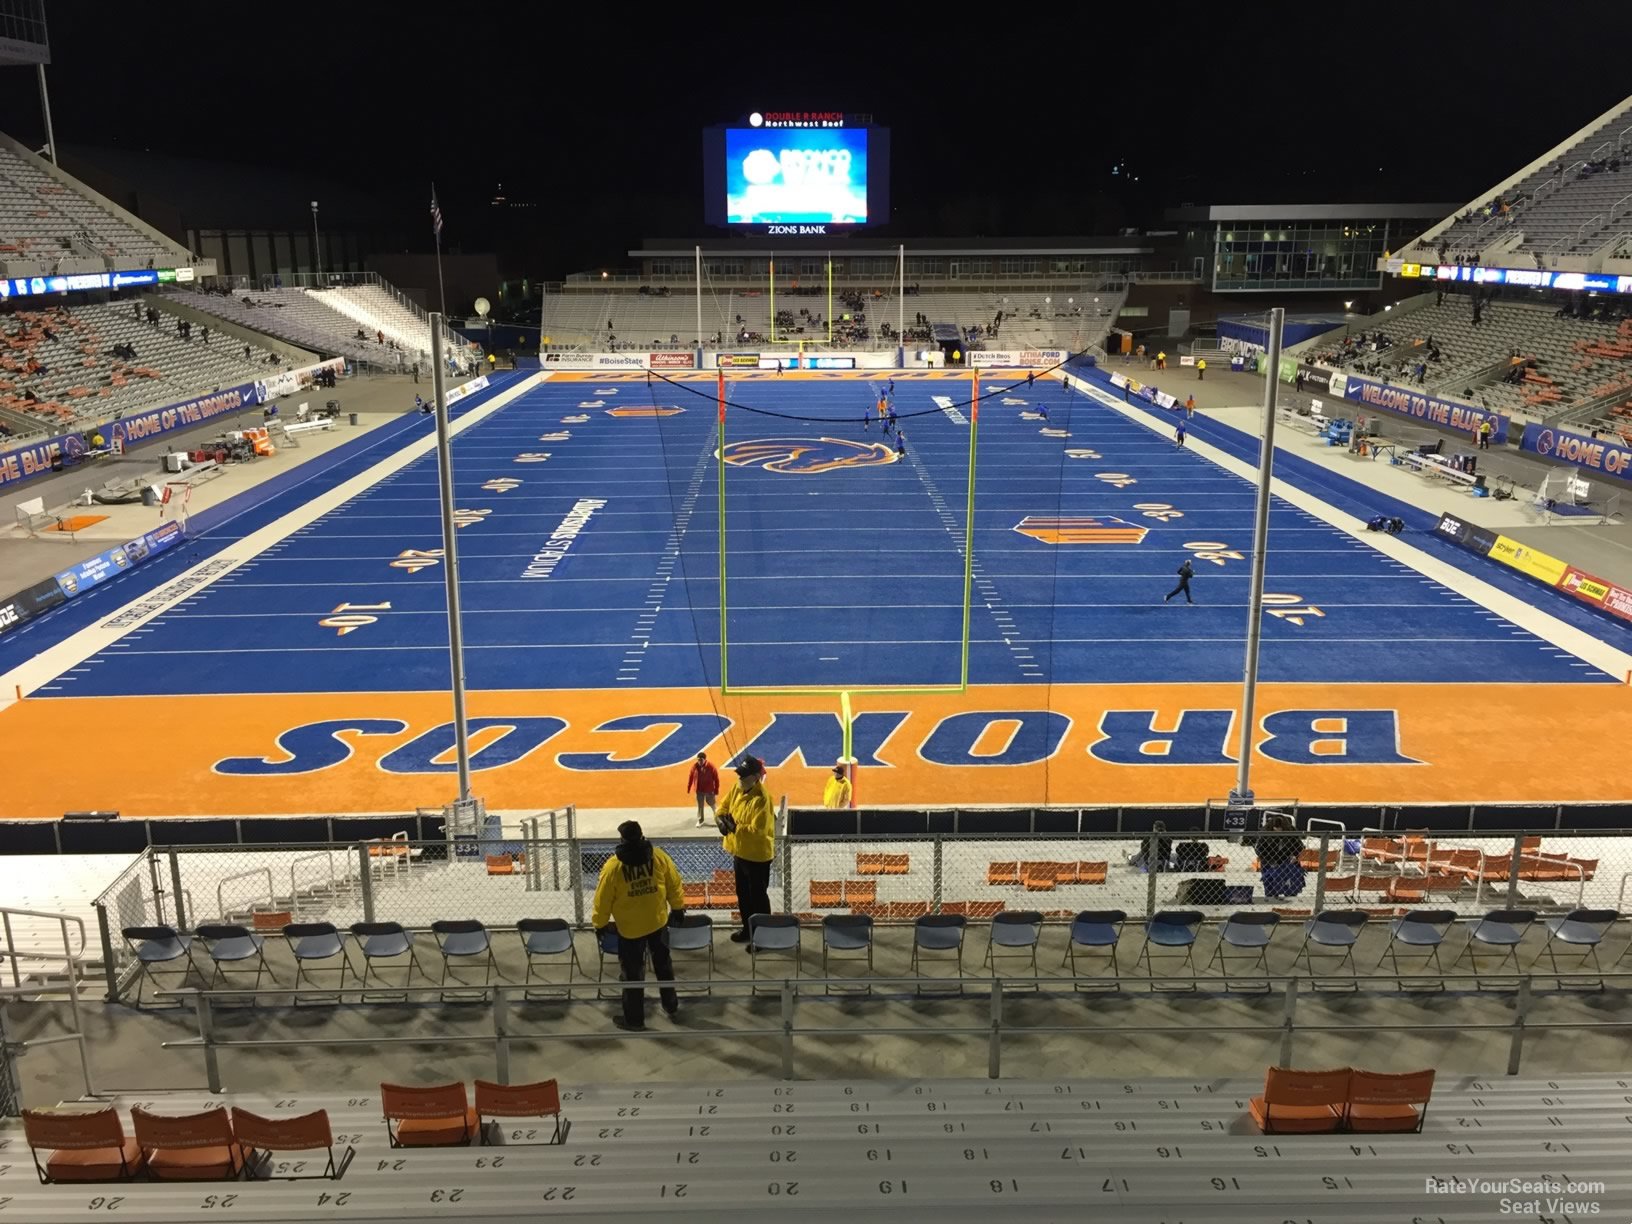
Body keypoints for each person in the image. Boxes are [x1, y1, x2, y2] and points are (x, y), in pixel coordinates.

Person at [591, 820, 684, 1032]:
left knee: (632, 975)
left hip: (630, 929)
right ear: (642, 836)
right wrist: (677, 907)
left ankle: (634, 1019)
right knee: (663, 966)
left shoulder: (613, 867)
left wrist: (600, 924)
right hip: (658, 922)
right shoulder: (658, 857)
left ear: (622, 840)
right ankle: (670, 1005)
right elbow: (674, 882)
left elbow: (602, 899)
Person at [716, 755, 776, 943]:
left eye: (744, 776)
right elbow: (723, 807)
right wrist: (720, 820)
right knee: (743, 895)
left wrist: (735, 827)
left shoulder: (763, 799)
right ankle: (747, 930)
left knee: (758, 898)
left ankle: (763, 937)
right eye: (739, 775)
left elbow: (757, 831)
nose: (740, 779)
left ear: (756, 777)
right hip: (739, 852)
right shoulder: (737, 787)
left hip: (757, 857)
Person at [1251, 814, 1306, 899]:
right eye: (1275, 830)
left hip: (1287, 860)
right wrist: (1270, 861)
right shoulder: (1265, 832)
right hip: (1269, 859)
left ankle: (1290, 894)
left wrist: (1295, 856)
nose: (1278, 832)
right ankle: (1271, 895)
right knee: (1269, 882)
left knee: (1292, 881)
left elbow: (1299, 846)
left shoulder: (1291, 830)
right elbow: (1259, 850)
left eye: (1280, 830)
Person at [686, 751, 719, 827]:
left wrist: (716, 789)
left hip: (709, 790)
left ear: (705, 759)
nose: (699, 761)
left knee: (713, 805)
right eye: (698, 760)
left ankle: (718, 819)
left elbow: (716, 778)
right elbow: (690, 777)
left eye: (701, 760)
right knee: (700, 806)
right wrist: (689, 787)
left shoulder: (710, 766)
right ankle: (701, 821)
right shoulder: (694, 766)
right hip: (699, 790)